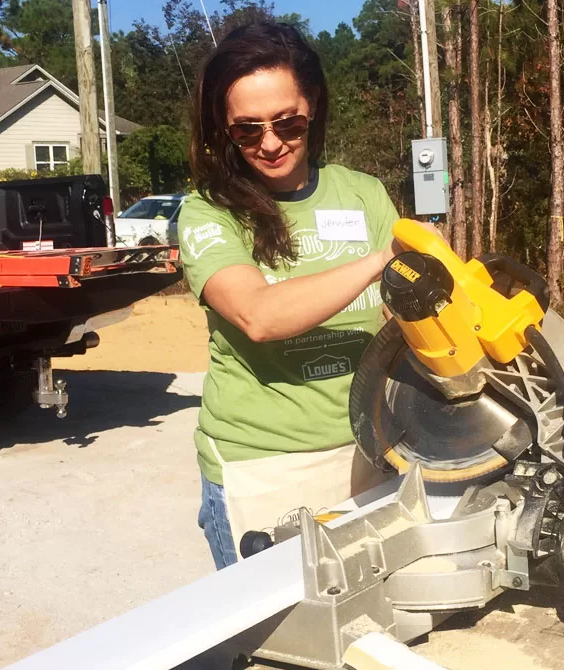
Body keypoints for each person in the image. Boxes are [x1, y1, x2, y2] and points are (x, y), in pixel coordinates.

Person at [177, 21, 400, 569]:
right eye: (247, 131)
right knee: (277, 647)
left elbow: (405, 322)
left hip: (368, 449)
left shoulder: (364, 193)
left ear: (314, 107)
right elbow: (258, 315)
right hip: (264, 467)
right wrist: (379, 262)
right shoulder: (208, 211)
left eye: (288, 123)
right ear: (222, 130)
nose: (271, 143)